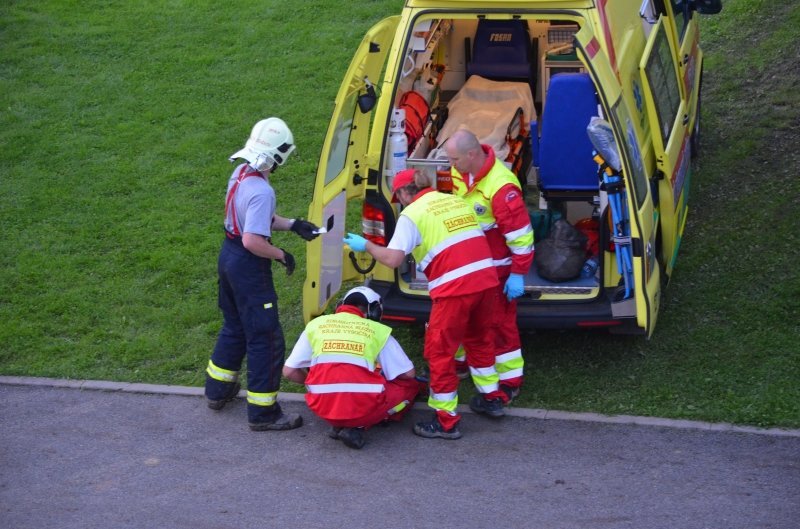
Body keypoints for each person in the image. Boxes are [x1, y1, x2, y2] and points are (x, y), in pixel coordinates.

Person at [344, 169, 508, 440]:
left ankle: (446, 421)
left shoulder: (412, 214)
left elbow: (394, 259)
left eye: (398, 198)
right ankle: (492, 398)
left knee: (439, 353)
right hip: (487, 279)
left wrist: (367, 246)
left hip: (455, 288)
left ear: (403, 193)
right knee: (479, 340)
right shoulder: (455, 201)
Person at [204, 117, 320, 431]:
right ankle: (263, 413)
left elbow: (252, 221)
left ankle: (217, 391)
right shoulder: (263, 191)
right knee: (265, 337)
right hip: (248, 266)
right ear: (278, 156)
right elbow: (253, 240)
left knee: (234, 325)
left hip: (228, 259)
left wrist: (294, 224)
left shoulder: (241, 173)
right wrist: (282, 255)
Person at [444, 129, 534, 403]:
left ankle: (509, 380)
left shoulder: (501, 187)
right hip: (467, 264)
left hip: (496, 269)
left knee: (498, 324)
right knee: (459, 317)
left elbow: (521, 238)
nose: (451, 165)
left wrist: (517, 274)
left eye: (454, 159)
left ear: (472, 155)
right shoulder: (461, 172)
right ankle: (460, 364)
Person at [282, 286, 422, 449]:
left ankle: (340, 423)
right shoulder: (378, 331)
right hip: (362, 409)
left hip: (323, 409)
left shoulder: (316, 325)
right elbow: (408, 374)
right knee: (410, 386)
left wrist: (318, 383)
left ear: (340, 305)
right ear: (375, 312)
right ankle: (358, 427)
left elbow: (289, 371)